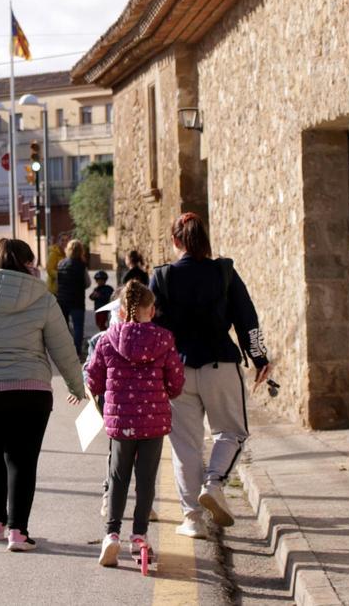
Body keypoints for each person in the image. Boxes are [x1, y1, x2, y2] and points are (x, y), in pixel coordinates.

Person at [0, 238, 86, 552]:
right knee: (22, 461)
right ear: (27, 264)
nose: (35, 268)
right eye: (32, 262)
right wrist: (77, 387)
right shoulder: (44, 299)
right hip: (30, 394)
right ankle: (18, 532)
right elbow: (63, 348)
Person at [151, 212, 272, 539]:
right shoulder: (224, 272)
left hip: (177, 371)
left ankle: (192, 519)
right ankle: (215, 482)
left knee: (185, 447)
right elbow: (249, 320)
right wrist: (260, 358)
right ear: (205, 239)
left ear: (176, 241)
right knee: (232, 432)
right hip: (221, 364)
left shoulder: (161, 278)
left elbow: (150, 326)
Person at [86, 281, 185, 567]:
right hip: (153, 420)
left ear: (120, 311)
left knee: (118, 477)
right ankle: (139, 537)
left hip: (121, 420)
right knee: (145, 480)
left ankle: (112, 535)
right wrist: (167, 389)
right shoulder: (164, 339)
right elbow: (176, 381)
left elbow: (93, 378)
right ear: (151, 310)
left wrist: (101, 390)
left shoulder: (107, 339)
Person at [56, 239, 89, 355]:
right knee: (78, 327)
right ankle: (77, 351)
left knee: (63, 328)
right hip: (77, 301)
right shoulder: (82, 265)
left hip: (63, 300)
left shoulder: (60, 264)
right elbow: (88, 283)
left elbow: (57, 282)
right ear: (81, 251)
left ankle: (64, 351)